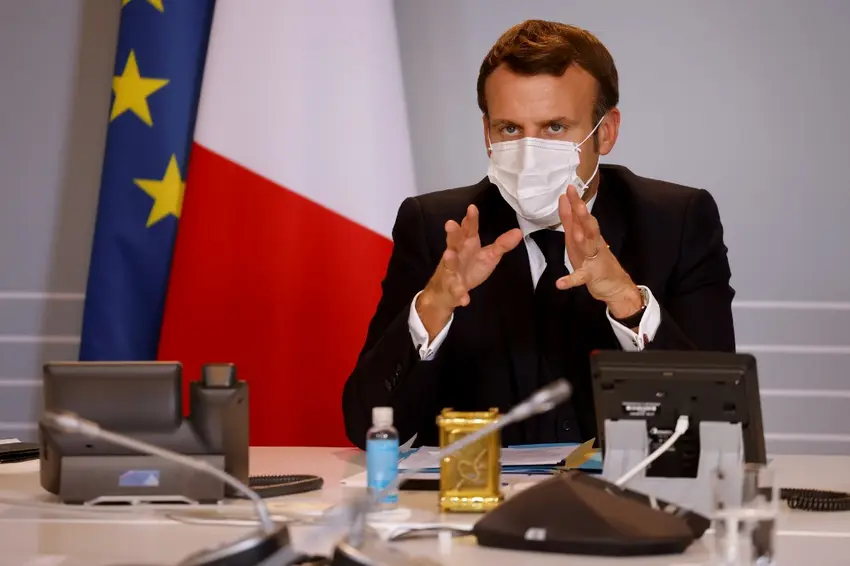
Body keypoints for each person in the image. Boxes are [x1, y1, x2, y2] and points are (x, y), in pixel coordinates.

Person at [342, 20, 735, 449]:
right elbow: (367, 426)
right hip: (476, 489)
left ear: (605, 132)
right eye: (510, 129)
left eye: (555, 128)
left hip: (620, 489)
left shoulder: (676, 222)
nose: (529, 154)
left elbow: (719, 420)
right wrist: (434, 305)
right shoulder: (439, 229)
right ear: (487, 134)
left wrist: (627, 301)